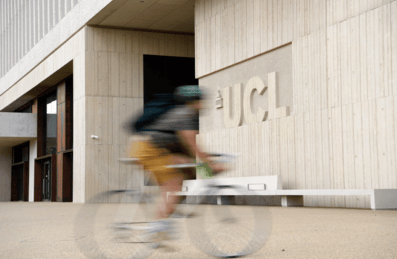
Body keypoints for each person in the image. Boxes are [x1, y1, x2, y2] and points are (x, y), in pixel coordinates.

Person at [129, 85, 225, 234]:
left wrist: (207, 165)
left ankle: (165, 218)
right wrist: (209, 165)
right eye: (201, 101)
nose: (203, 104)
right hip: (147, 150)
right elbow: (193, 146)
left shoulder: (180, 113)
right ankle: (158, 227)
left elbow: (191, 153)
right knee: (174, 184)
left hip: (149, 149)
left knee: (180, 173)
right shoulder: (186, 115)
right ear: (195, 101)